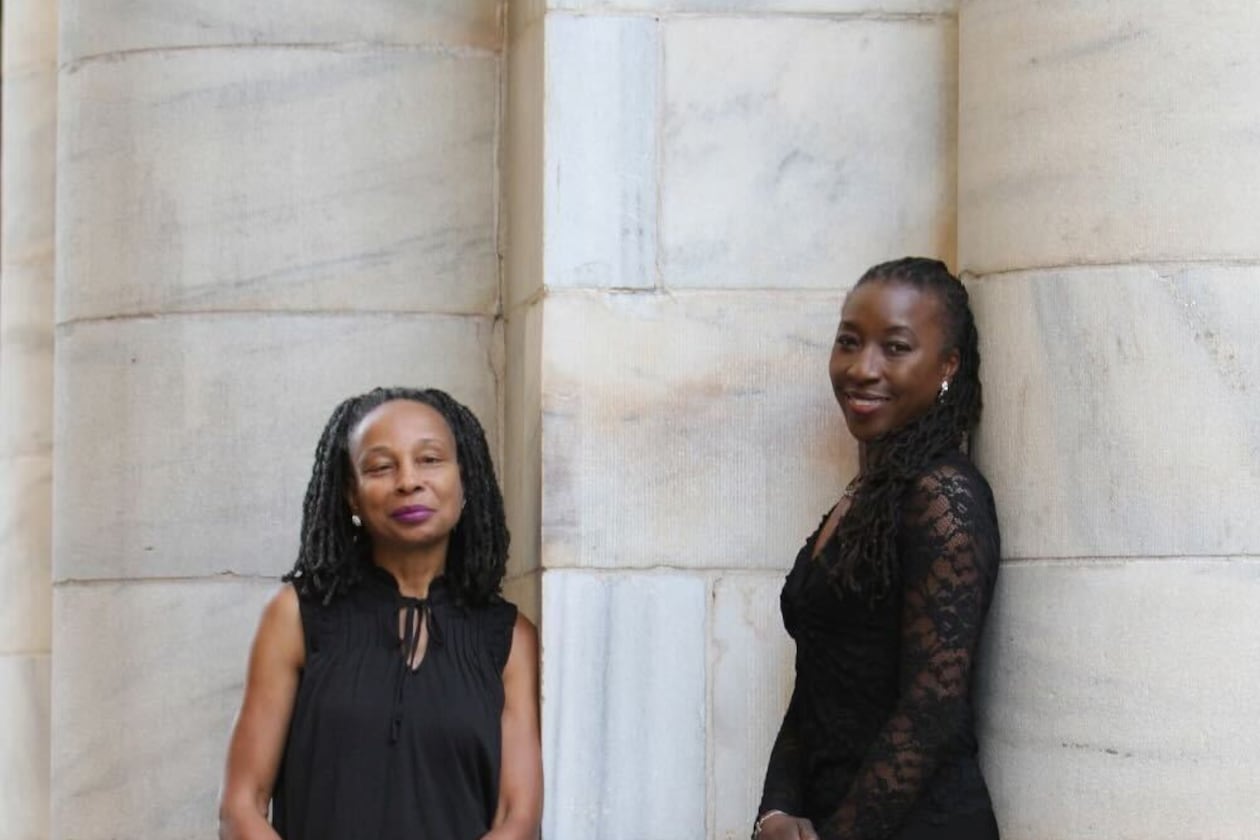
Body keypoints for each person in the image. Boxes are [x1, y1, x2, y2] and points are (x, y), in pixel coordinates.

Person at [219, 387, 542, 840]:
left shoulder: (507, 639)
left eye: (430, 459)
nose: (408, 481)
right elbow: (241, 807)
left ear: (465, 478)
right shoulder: (296, 616)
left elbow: (517, 817)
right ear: (351, 494)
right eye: (380, 466)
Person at [753, 258, 1002, 840]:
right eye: (849, 342)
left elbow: (932, 710)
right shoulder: (862, 497)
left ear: (947, 367)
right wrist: (776, 810)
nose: (862, 368)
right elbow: (816, 685)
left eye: (895, 348)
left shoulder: (943, 495)